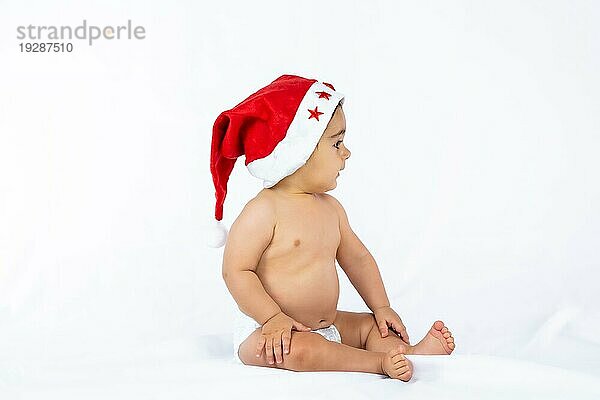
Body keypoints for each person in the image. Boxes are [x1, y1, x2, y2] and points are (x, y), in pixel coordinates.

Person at [209, 75, 455, 381]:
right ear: (297, 153)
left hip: (329, 324)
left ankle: (409, 353)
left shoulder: (331, 209)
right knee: (300, 351)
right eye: (336, 142)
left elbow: (358, 259)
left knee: (369, 327)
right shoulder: (263, 210)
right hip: (269, 332)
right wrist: (271, 318)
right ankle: (377, 363)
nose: (346, 152)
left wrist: (381, 307)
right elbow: (236, 271)